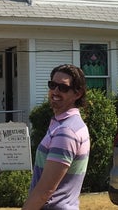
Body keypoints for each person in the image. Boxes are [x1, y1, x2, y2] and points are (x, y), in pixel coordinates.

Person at [22, 64, 90, 210]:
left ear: (77, 94)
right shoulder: (67, 125)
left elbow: (45, 191)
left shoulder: (66, 131)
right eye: (52, 85)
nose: (55, 91)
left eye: (63, 88)